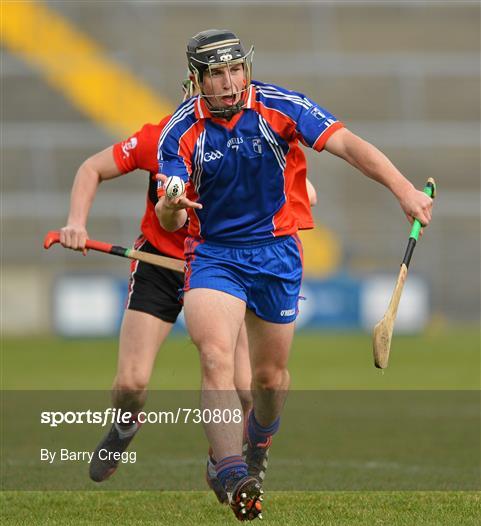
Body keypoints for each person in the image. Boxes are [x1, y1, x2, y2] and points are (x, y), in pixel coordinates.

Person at [155, 29, 433, 521]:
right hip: (214, 254)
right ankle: (233, 470)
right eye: (216, 74)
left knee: (270, 380)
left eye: (235, 70)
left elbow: (347, 145)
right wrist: (172, 206)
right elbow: (170, 216)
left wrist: (404, 191)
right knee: (216, 355)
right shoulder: (178, 132)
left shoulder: (280, 107)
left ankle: (256, 446)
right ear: (197, 79)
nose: (228, 82)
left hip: (277, 253)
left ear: (247, 68)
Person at [59, 83, 317, 504]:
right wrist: (76, 222)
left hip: (224, 268)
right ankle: (126, 424)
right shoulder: (162, 137)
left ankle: (225, 461)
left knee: (248, 389)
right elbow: (92, 168)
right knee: (131, 382)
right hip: (162, 264)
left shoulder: (250, 136)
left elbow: (297, 188)